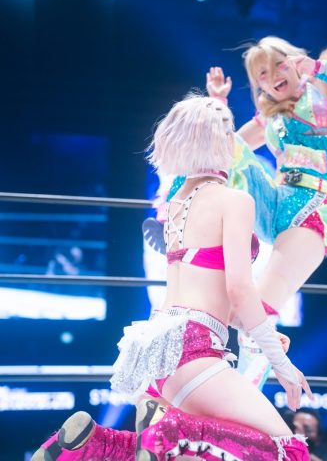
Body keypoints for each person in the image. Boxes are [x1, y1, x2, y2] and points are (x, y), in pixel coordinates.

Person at [33, 94, 311, 461]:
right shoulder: (234, 201)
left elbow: (212, 291)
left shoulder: (176, 204)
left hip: (157, 347)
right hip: (195, 347)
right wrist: (282, 365)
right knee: (289, 450)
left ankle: (94, 443)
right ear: (222, 141)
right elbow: (239, 289)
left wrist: (260, 335)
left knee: (184, 455)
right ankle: (174, 429)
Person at [205, 36, 327, 382]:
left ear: (295, 60)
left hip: (314, 206)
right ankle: (195, 223)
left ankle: (242, 395)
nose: (272, 77)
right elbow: (231, 147)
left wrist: (319, 69)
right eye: (262, 74)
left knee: (255, 312)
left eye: (278, 65)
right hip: (275, 202)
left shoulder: (324, 92)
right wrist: (218, 105)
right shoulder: (270, 116)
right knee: (222, 153)